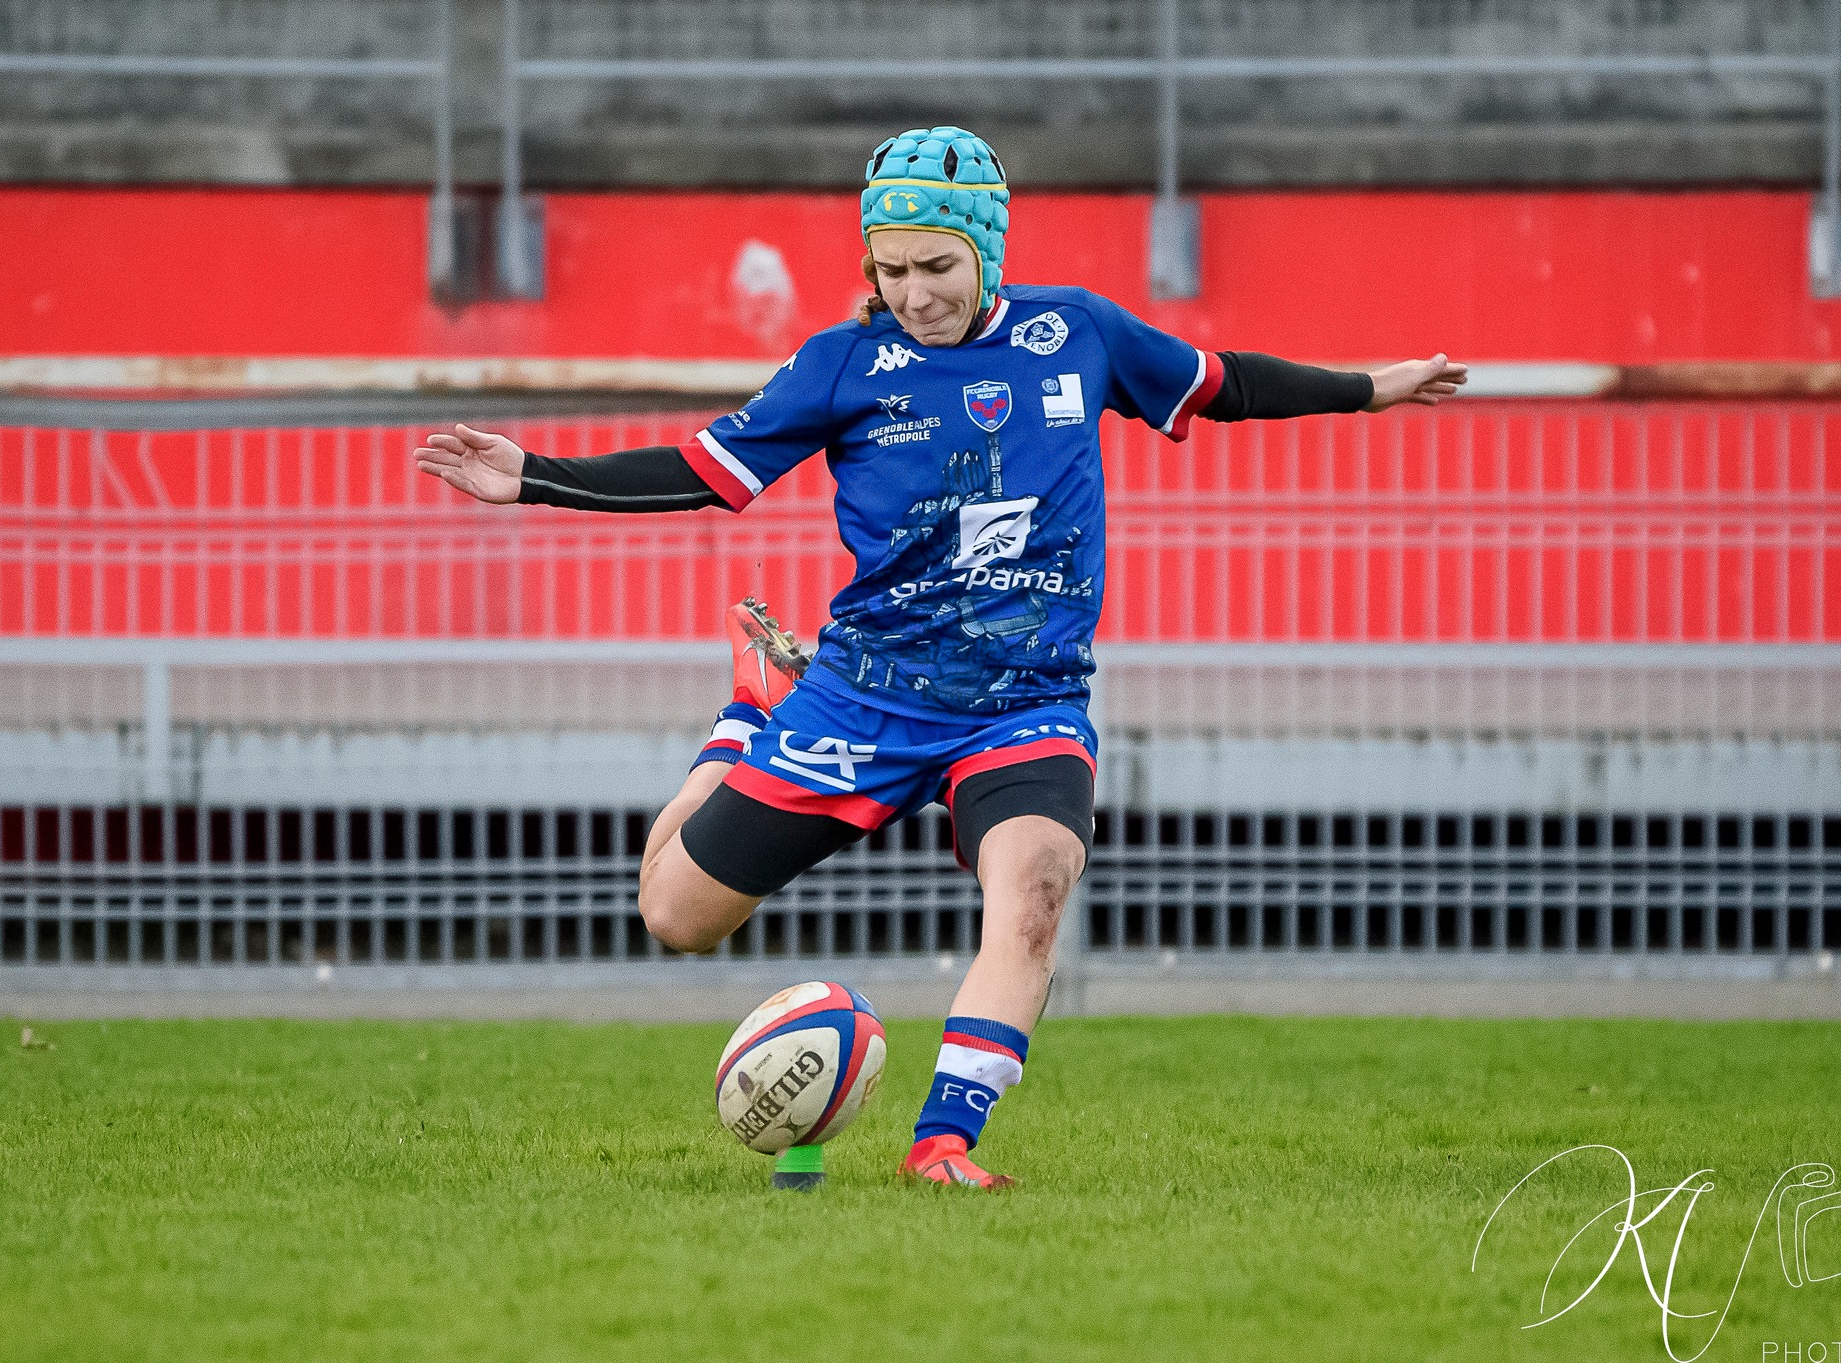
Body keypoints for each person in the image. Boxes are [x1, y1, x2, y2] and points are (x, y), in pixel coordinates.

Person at [414, 125, 1465, 1189]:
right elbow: (704, 472)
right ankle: (749, 712)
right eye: (891, 269)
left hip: (1025, 701)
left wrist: (1363, 388)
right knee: (674, 916)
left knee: (1037, 884)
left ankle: (942, 1141)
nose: (913, 292)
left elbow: (1223, 382)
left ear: (987, 252)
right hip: (863, 696)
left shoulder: (1076, 332)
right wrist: (535, 475)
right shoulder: (841, 364)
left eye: (937, 267)